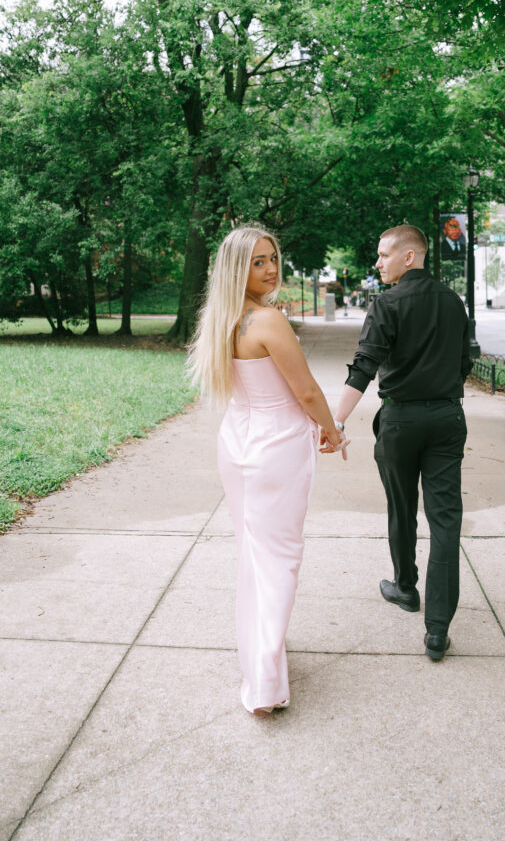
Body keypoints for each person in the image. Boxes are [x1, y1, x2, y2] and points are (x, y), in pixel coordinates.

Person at [188, 225, 346, 716]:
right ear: (239, 268)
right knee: (279, 558)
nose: (272, 268)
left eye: (273, 257)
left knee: (256, 555)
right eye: (258, 261)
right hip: (275, 448)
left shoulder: (223, 318)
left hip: (238, 445)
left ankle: (263, 655)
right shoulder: (269, 320)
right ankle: (265, 683)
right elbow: (306, 392)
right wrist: (333, 430)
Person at [321, 224, 472, 661]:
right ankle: (438, 631)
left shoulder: (386, 304)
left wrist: (336, 422)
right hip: (447, 417)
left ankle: (406, 588)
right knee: (446, 521)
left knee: (402, 507)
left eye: (384, 254)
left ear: (410, 257)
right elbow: (464, 362)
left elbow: (364, 367)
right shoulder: (453, 302)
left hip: (401, 420)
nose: (378, 262)